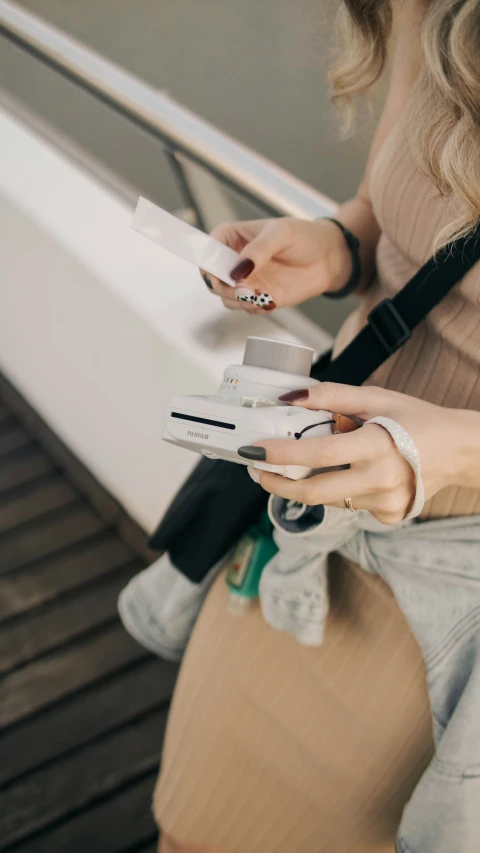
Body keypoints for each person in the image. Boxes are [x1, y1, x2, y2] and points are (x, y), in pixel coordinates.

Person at [153, 0, 480, 850]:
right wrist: (335, 243)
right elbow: (395, 202)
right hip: (307, 515)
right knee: (190, 824)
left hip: (455, 594)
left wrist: (447, 451)